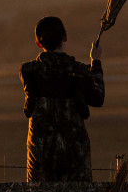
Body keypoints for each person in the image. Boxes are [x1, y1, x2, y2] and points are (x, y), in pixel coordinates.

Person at [19, 16, 105, 182]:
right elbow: (98, 98)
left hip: (40, 153)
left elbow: (28, 107)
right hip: (75, 153)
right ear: (65, 37)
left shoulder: (28, 70)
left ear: (38, 43)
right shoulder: (79, 71)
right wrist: (96, 62)